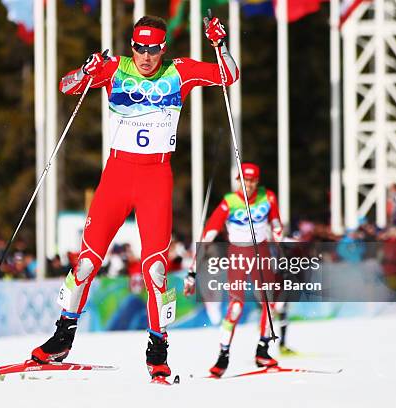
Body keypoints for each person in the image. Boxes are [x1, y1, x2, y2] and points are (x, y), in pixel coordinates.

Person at [31, 15, 238, 381]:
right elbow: (68, 87)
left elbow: (228, 76)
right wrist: (85, 70)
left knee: (156, 269)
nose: (145, 56)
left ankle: (158, 350)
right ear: (131, 46)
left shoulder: (180, 71)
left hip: (155, 178)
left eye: (153, 48)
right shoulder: (115, 68)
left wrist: (219, 44)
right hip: (116, 176)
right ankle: (62, 338)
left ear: (163, 48)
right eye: (139, 48)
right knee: (84, 264)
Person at [184, 163, 285, 377]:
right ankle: (223, 356)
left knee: (269, 303)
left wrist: (280, 242)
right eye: (245, 181)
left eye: (252, 181)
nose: (248, 185)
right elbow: (208, 236)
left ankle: (263, 350)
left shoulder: (268, 197)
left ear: (257, 181)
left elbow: (276, 224)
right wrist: (192, 271)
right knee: (236, 306)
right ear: (239, 181)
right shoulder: (228, 203)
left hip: (262, 252)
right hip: (239, 254)